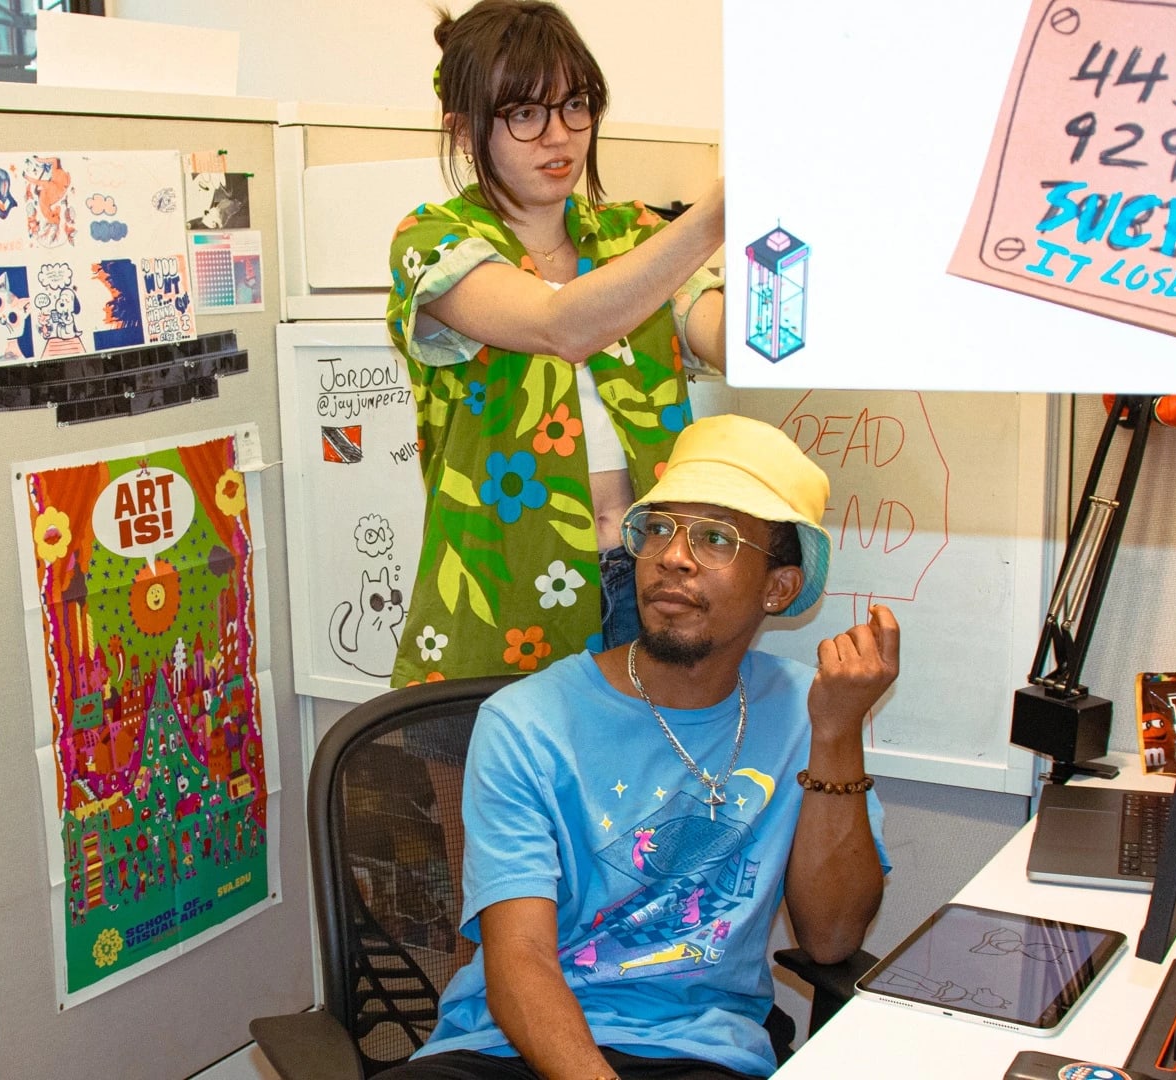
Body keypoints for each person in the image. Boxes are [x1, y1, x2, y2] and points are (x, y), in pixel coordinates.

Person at [376, 415, 899, 1080]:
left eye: (715, 537)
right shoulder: (526, 722)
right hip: (509, 1046)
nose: (672, 557)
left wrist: (838, 735)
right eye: (658, 529)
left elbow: (831, 939)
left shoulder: (809, 713)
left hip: (698, 1053)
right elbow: (520, 961)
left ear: (778, 587)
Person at [388, 0, 727, 686]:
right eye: (524, 114)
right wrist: (712, 219)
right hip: (508, 581)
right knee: (512, 755)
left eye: (576, 105)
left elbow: (723, 338)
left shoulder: (632, 236)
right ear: (463, 129)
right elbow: (561, 326)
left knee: (656, 755)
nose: (559, 135)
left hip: (654, 575)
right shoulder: (433, 242)